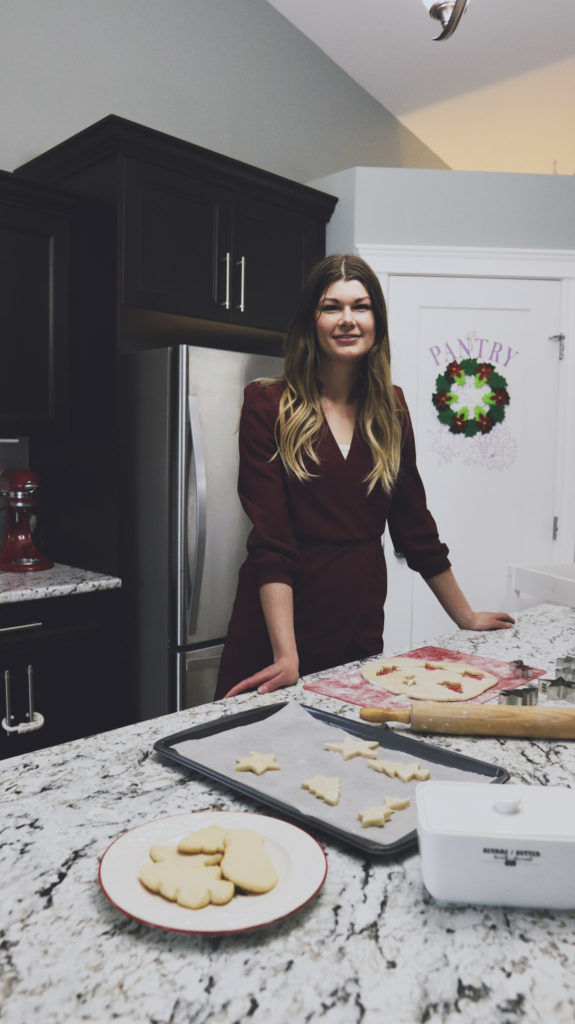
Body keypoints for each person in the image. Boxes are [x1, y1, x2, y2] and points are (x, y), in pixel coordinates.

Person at [215, 254, 514, 700]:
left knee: (341, 755)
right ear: (310, 322)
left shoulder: (391, 408)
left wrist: (465, 616)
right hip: (279, 627)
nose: (347, 319)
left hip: (357, 615)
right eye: (331, 306)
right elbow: (271, 541)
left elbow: (414, 527)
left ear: (377, 321)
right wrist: (286, 655)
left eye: (361, 306)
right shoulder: (268, 404)